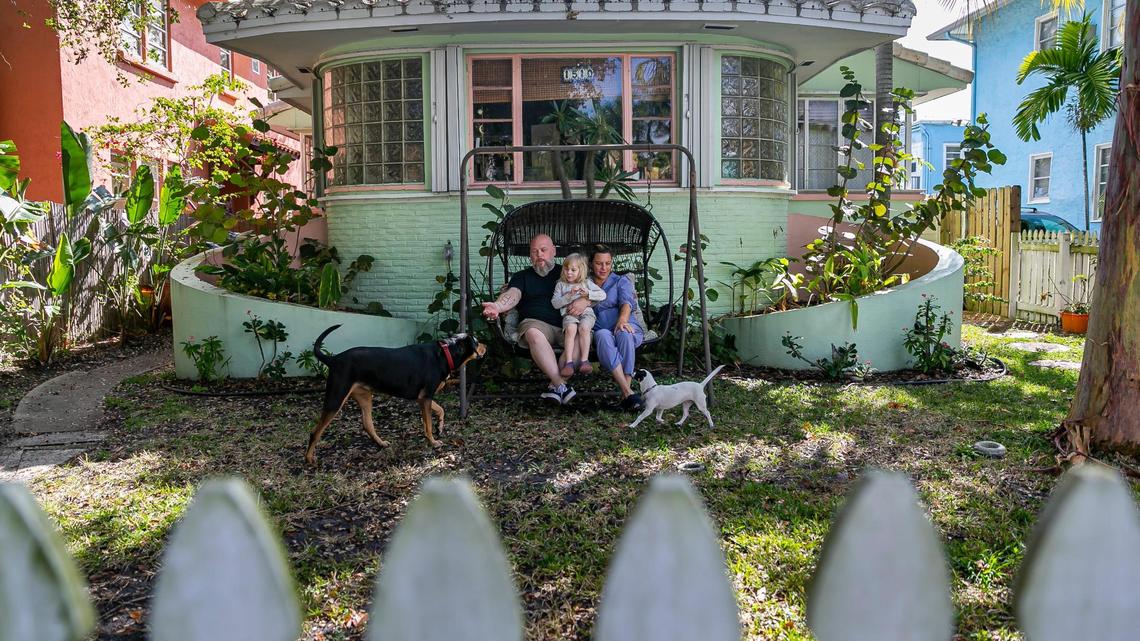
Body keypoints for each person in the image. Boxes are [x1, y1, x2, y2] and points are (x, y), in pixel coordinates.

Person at [481, 234, 576, 404]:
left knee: (579, 337)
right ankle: (561, 385)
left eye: (543, 250)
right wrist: (497, 306)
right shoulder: (522, 276)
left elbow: (586, 289)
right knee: (533, 333)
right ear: (530, 256)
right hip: (536, 324)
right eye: (534, 251)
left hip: (565, 324)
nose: (539, 254)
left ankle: (555, 389)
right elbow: (513, 295)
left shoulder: (567, 273)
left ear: (553, 251)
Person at [588, 244, 645, 410]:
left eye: (607, 263)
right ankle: (628, 393)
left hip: (625, 324)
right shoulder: (586, 284)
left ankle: (625, 393)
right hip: (601, 329)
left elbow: (627, 302)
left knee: (624, 334)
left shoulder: (621, 281)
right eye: (599, 263)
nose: (603, 267)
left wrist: (622, 320)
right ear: (592, 264)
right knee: (603, 336)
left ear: (611, 263)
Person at [551, 253, 606, 378]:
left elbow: (603, 295)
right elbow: (555, 303)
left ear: (581, 271)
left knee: (584, 328)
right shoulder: (560, 285)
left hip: (587, 314)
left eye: (573, 270)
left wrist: (588, 294)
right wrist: (568, 296)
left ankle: (584, 361)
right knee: (570, 329)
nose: (569, 272)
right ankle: (569, 362)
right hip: (569, 315)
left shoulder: (586, 283)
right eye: (566, 269)